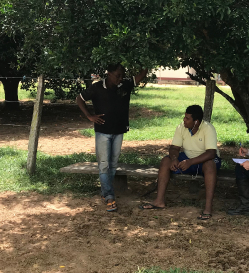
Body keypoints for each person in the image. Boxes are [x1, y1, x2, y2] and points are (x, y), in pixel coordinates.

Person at [77, 64, 148, 212]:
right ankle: (109, 197)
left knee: (113, 164)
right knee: (104, 165)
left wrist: (143, 60)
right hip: (103, 132)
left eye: (122, 76)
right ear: (108, 74)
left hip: (119, 132)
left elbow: (142, 74)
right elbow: (79, 99)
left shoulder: (125, 85)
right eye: (117, 76)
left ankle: (105, 192)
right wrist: (89, 116)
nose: (120, 79)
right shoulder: (97, 88)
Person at [140, 105, 221, 220]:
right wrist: (174, 158)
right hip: (187, 158)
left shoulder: (208, 128)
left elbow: (211, 153)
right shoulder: (181, 127)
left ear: (196, 122)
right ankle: (159, 201)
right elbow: (174, 148)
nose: (184, 120)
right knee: (166, 161)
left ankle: (208, 208)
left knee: (210, 165)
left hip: (205, 159)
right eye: (184, 117)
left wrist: (190, 162)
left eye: (187, 118)